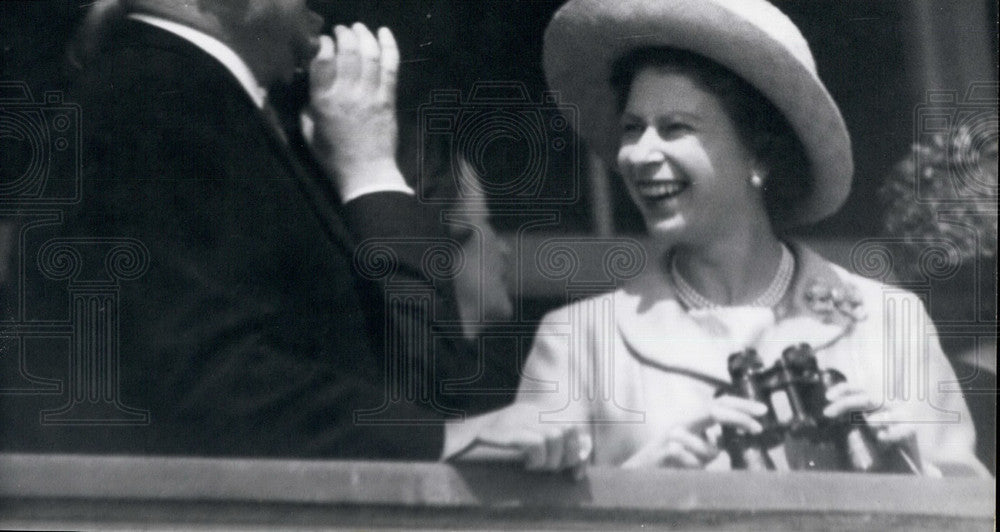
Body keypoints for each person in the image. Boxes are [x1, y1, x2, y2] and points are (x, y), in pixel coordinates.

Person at [444, 0, 987, 476]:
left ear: (759, 153)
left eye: (675, 127)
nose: (638, 154)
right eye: (632, 129)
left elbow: (973, 509)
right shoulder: (578, 342)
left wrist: (915, 472)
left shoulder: (891, 324)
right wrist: (636, 489)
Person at [2, 0, 478, 458]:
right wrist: (435, 440)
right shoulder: (156, 99)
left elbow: (411, 377)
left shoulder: (199, 101)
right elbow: (203, 383)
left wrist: (368, 169)